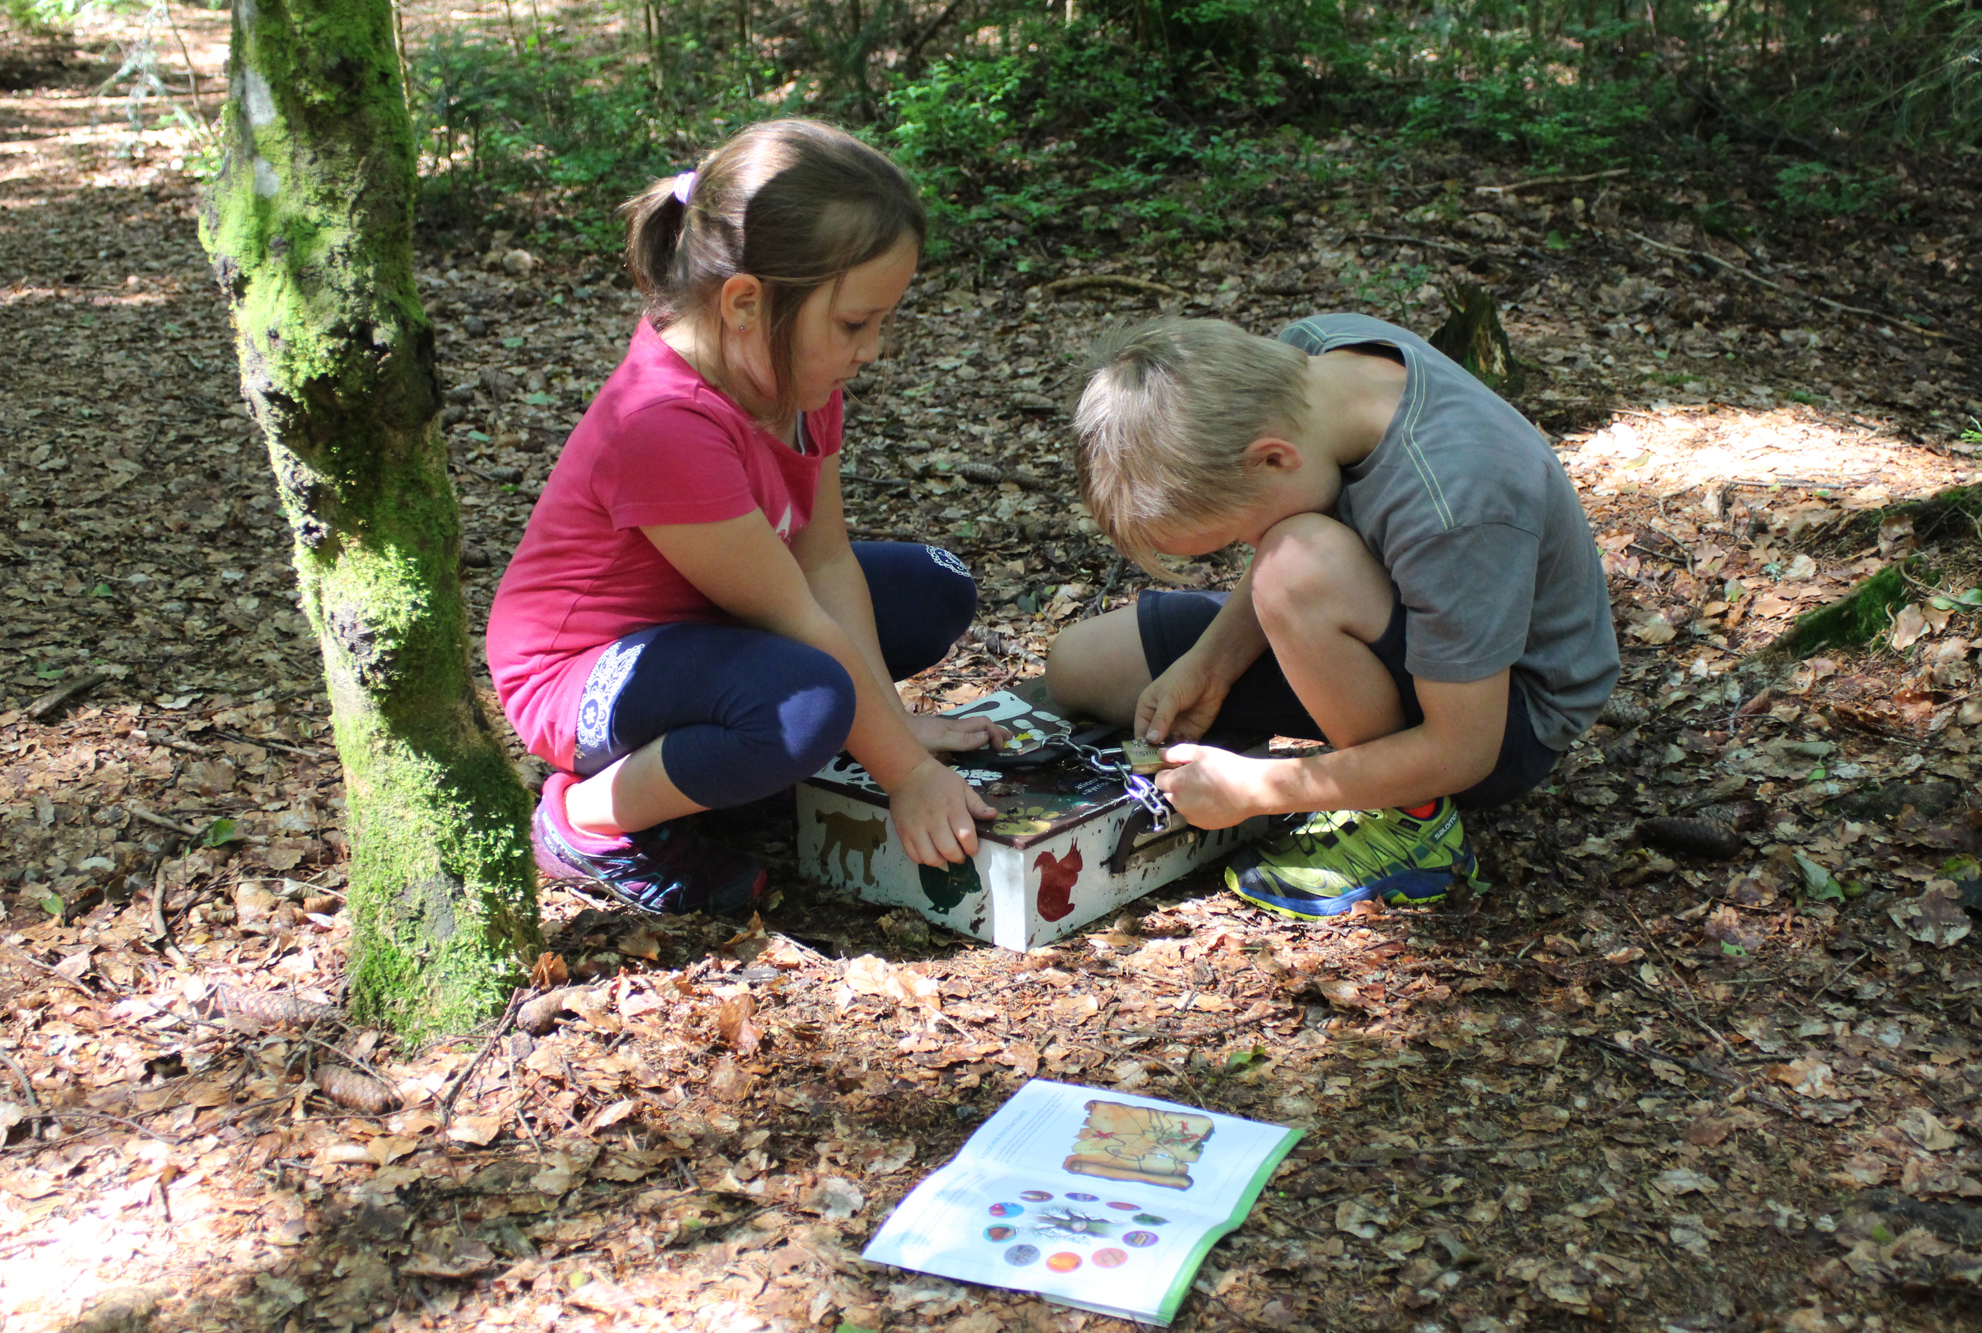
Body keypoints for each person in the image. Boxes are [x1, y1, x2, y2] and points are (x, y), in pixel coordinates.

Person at [486, 118, 1003, 917]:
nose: (873, 349)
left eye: (882, 321)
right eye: (855, 323)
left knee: (933, 589)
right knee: (808, 703)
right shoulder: (664, 422)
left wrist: (895, 729)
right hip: (576, 676)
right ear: (744, 303)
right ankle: (580, 821)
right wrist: (906, 773)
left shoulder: (798, 379)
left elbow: (824, 561)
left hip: (703, 630)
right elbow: (795, 613)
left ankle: (727, 763)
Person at [1045, 314, 1618, 919]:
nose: (1252, 549)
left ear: (1272, 458)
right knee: (1081, 668)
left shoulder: (1456, 501)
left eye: (1243, 532)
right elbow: (1290, 564)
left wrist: (1261, 789)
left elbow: (1464, 750)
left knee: (1296, 564)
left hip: (1503, 718)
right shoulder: (1306, 359)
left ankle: (1415, 829)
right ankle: (1357, 745)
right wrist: (1210, 664)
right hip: (1374, 619)